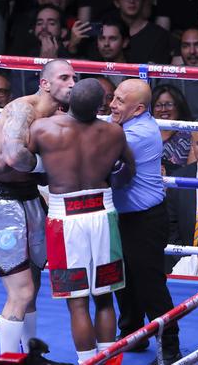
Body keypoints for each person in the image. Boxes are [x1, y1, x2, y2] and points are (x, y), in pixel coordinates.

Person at [0, 59, 75, 355]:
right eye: (64, 77)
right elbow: (12, 158)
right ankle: (8, 360)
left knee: (33, 288)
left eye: (74, 78)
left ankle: (31, 353)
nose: (72, 83)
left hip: (30, 201)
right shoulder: (21, 109)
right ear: (45, 83)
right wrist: (49, 166)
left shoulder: (65, 114)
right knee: (20, 291)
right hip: (1, 204)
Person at [25, 78, 134, 364]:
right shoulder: (114, 133)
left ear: (69, 99)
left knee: (77, 303)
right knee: (105, 299)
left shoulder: (43, 128)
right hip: (103, 216)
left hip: (65, 220)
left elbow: (27, 165)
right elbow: (127, 174)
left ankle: (86, 362)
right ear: (101, 105)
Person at [109, 79, 181, 364]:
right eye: (112, 98)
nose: (112, 105)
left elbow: (97, 155)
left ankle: (170, 347)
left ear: (138, 109)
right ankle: (132, 333)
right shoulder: (125, 124)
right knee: (122, 279)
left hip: (145, 221)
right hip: (123, 217)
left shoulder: (138, 133)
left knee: (151, 285)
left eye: (119, 102)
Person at [151, 84, 193, 176]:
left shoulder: (189, 135)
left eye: (169, 104)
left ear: (179, 106)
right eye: (158, 105)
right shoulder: (146, 133)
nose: (163, 109)